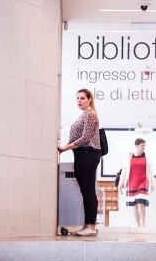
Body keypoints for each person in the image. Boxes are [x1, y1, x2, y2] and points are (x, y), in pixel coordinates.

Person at [58, 89, 100, 236]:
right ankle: (87, 226)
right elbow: (76, 137)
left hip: (88, 153)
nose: (79, 101)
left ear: (89, 99)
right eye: (77, 98)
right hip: (82, 154)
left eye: (82, 98)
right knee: (85, 191)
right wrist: (65, 146)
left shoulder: (90, 114)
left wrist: (65, 148)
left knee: (89, 191)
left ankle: (91, 227)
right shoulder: (83, 115)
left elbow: (84, 139)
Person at [118, 138, 155, 227]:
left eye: (144, 146)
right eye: (142, 146)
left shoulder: (146, 156)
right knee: (135, 205)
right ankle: (138, 226)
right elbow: (124, 170)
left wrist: (153, 183)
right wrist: (120, 183)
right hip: (132, 183)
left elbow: (150, 170)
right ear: (136, 146)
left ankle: (143, 223)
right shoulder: (130, 156)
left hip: (143, 182)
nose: (143, 148)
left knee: (140, 202)